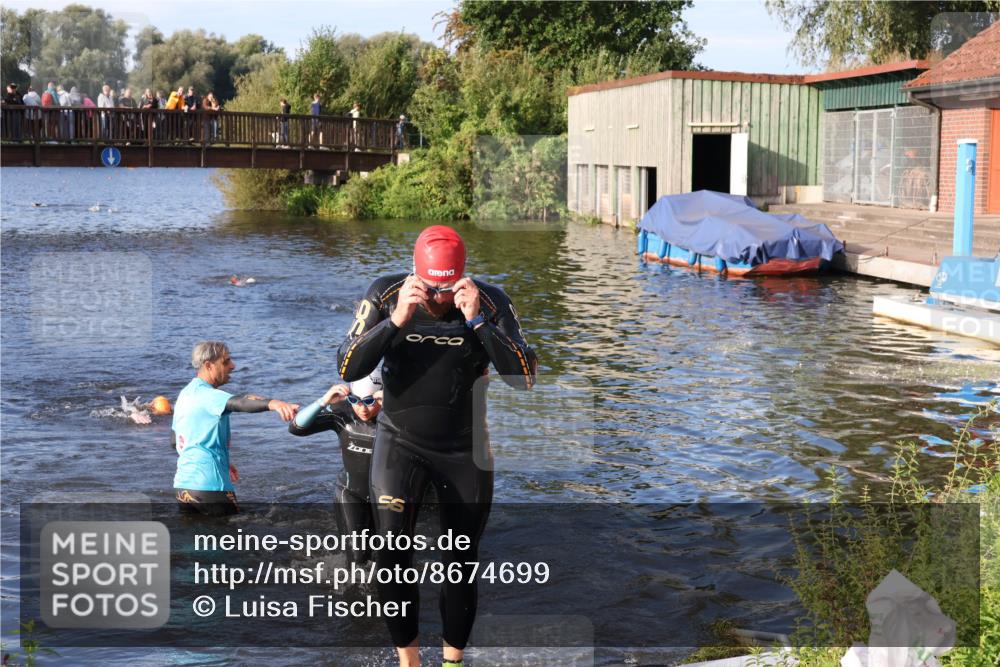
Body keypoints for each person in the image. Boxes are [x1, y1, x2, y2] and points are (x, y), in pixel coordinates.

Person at [337, 225, 537, 667]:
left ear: (462, 278)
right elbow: (347, 362)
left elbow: (524, 377)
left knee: (461, 562)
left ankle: (452, 662)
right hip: (399, 444)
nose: (437, 298)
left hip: (464, 450)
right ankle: (410, 661)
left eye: (446, 289)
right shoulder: (386, 294)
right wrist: (395, 323)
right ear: (415, 274)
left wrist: (477, 322)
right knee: (391, 555)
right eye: (429, 287)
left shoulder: (489, 301)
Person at [173, 341, 299, 516]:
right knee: (232, 540)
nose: (233, 366)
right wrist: (274, 404)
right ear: (208, 365)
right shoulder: (209, 395)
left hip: (183, 487)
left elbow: (176, 441)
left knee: (196, 541)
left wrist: (219, 457)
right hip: (212, 487)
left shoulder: (185, 395)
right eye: (226, 362)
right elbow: (239, 403)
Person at [289, 368, 383, 563]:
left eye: (369, 401)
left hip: (386, 495)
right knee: (358, 558)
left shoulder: (395, 418)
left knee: (389, 556)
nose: (362, 409)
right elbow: (296, 428)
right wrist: (323, 401)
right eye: (356, 400)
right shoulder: (343, 414)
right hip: (350, 492)